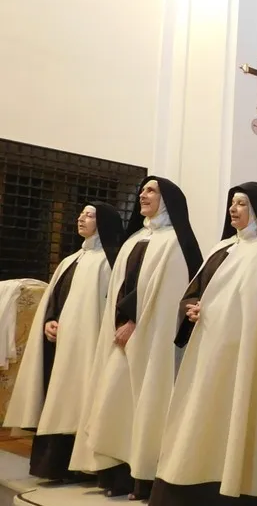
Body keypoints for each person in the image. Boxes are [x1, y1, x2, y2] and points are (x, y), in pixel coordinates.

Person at [150, 182, 257, 505]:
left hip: (241, 357)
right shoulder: (221, 250)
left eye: (242, 204)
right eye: (232, 204)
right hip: (207, 355)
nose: (233, 209)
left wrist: (213, 309)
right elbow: (196, 291)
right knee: (197, 423)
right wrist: (190, 307)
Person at [74, 176, 203, 501]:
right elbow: (123, 286)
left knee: (149, 406)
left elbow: (169, 295)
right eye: (143, 190)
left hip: (152, 343)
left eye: (152, 191)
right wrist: (121, 323)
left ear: (168, 200)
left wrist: (136, 323)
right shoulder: (134, 240)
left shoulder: (176, 242)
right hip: (122, 338)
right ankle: (118, 476)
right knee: (115, 402)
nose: (143, 194)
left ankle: (145, 479)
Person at [4, 203, 124, 481]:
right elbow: (56, 300)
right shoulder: (70, 260)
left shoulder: (110, 261)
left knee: (78, 400)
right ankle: (53, 466)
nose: (81, 218)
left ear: (104, 222)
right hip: (62, 346)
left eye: (90, 215)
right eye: (81, 213)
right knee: (57, 397)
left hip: (88, 348)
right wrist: (50, 321)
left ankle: (80, 466)